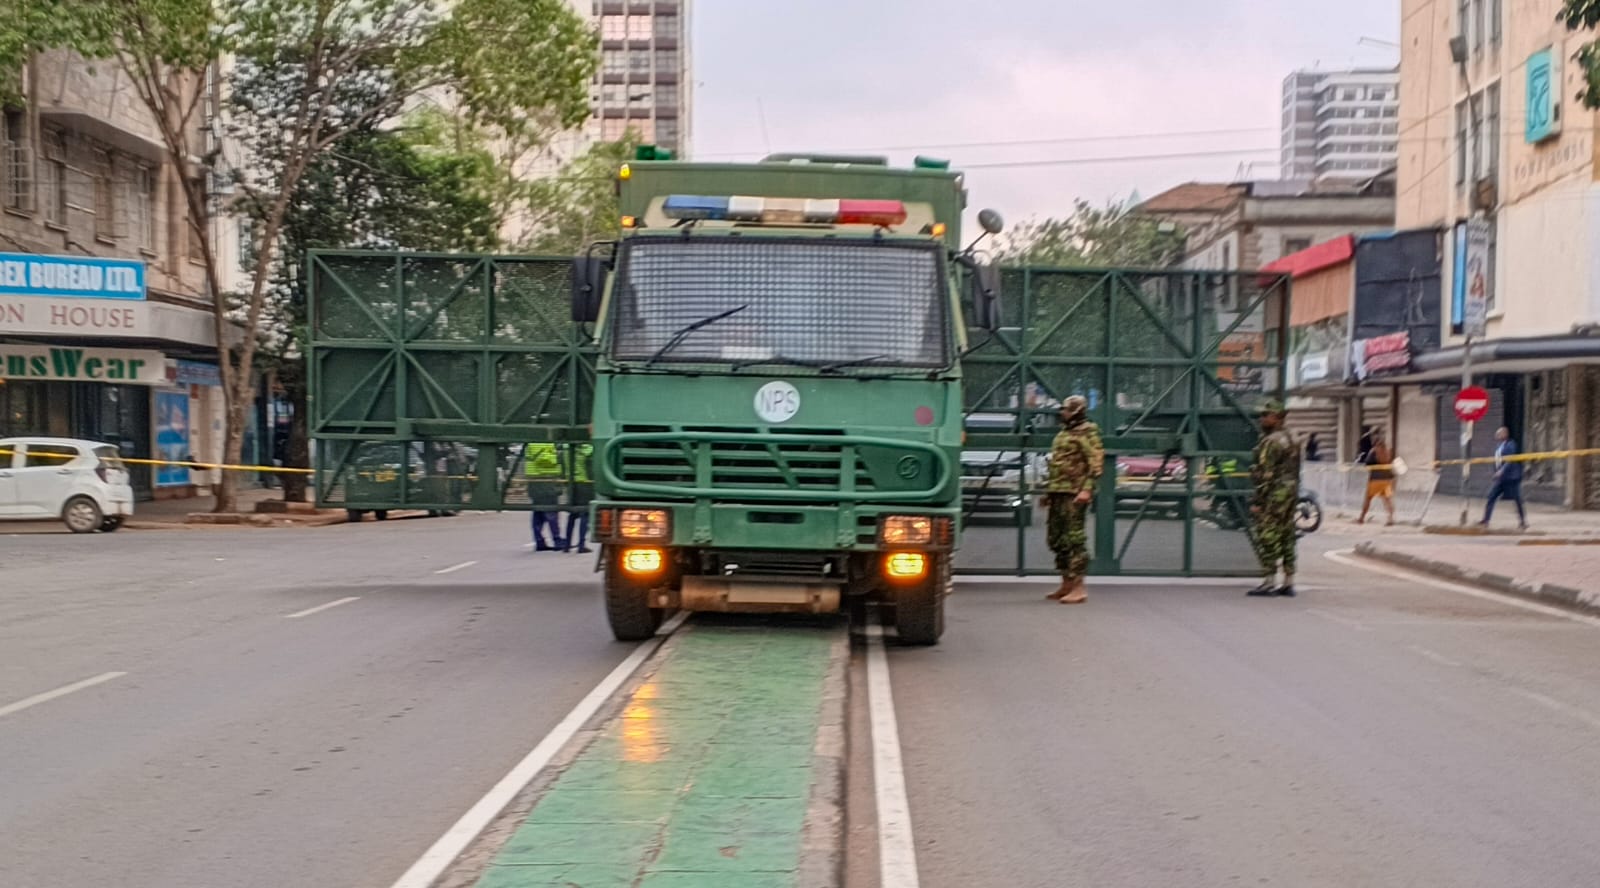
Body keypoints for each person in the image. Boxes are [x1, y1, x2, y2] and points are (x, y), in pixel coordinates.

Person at [1041, 395, 1103, 604]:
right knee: (1057, 538)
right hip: (1059, 490)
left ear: (1077, 411)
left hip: (1074, 492)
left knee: (1074, 538)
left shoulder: (1088, 431)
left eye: (1066, 409)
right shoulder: (1064, 433)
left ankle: (1079, 587)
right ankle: (1066, 583)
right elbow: (1057, 464)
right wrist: (1049, 492)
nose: (1062, 413)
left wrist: (1086, 490)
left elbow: (1095, 463)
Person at [1248, 400, 1301, 597]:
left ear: (1276, 417)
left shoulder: (1271, 442)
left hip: (1275, 495)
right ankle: (1289, 581)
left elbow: (1265, 475)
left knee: (1267, 534)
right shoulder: (1293, 437)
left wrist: (1258, 501)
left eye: (1266, 415)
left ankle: (1269, 581)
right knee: (1287, 534)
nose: (1262, 419)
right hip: (1291, 493)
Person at [1480, 426, 1528, 531]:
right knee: (1491, 497)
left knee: (1517, 499)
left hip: (1511, 478)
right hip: (1501, 479)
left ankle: (1523, 522)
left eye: (1499, 433)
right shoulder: (1498, 446)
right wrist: (1495, 472)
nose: (1496, 435)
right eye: (1497, 434)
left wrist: (1502, 470)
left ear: (1505, 434)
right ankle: (1486, 520)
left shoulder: (1510, 444)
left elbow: (1509, 460)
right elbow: (1498, 461)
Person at [525, 441, 565, 551]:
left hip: (533, 482)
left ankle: (539, 541)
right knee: (551, 512)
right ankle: (557, 540)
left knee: (537, 513)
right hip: (547, 480)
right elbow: (546, 460)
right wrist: (558, 457)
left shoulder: (530, 444)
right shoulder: (546, 443)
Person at [1356, 428, 1396, 526]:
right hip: (1386, 480)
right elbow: (1391, 463)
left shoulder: (1373, 451)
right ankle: (1390, 519)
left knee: (1368, 499)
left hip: (1375, 480)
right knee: (1388, 500)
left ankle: (1361, 518)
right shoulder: (1387, 451)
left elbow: (1367, 464)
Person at [563, 443, 595, 554]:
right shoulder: (586, 449)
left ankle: (567, 544)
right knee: (584, 514)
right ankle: (581, 544)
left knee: (572, 514)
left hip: (570, 483)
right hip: (583, 483)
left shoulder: (566, 447)